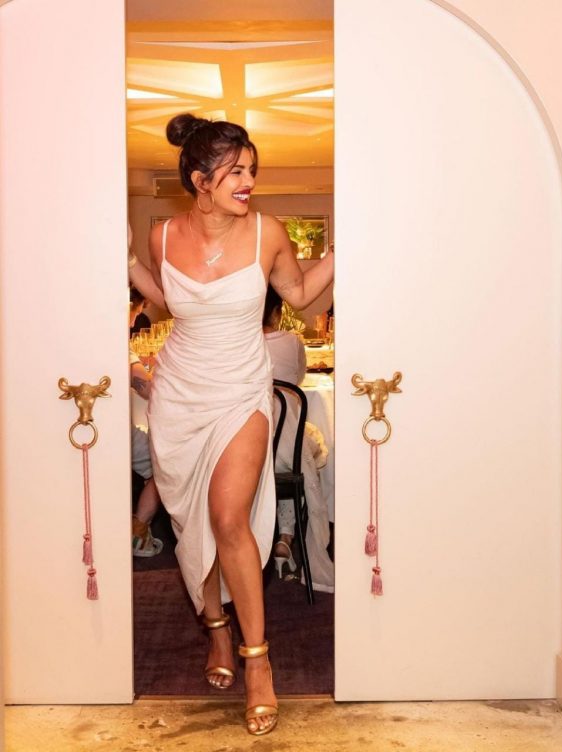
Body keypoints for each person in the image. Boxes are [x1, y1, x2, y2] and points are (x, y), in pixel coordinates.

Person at [145, 114, 334, 736]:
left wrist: (345, 251)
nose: (248, 181)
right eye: (235, 172)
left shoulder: (266, 232)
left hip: (241, 391)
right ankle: (217, 632)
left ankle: (259, 662)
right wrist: (124, 264)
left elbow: (299, 293)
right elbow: (165, 301)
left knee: (228, 518)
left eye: (252, 170)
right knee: (190, 521)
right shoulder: (162, 234)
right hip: (179, 393)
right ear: (200, 181)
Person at [263, 285, 334, 592]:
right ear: (277, 313)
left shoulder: (237, 346)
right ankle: (286, 537)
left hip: (248, 448)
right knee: (312, 449)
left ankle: (274, 536)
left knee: (289, 453)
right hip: (285, 446)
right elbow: (299, 379)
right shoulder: (292, 342)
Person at [129, 286, 163, 557]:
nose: (134, 321)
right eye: (137, 310)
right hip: (120, 437)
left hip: (110, 431)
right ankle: (138, 532)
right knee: (167, 463)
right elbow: (149, 390)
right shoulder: (116, 345)